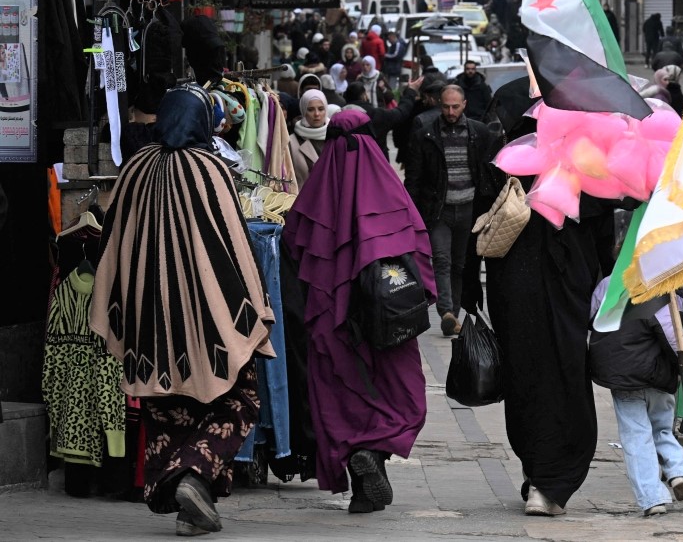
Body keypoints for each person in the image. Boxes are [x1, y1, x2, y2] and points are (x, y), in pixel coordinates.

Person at [89, 84, 275, 536]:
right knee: (239, 398)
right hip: (210, 318)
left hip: (149, 321)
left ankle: (194, 507)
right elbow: (237, 243)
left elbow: (112, 239)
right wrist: (255, 301)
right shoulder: (211, 167)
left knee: (167, 409)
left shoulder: (134, 168)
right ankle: (193, 475)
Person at [282, 109, 434, 515]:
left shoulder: (316, 190)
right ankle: (375, 453)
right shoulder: (387, 186)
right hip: (389, 320)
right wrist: (428, 295)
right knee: (394, 390)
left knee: (340, 395)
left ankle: (359, 466)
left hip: (332, 319)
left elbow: (294, 246)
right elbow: (417, 243)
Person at [483, 79, 623, 517]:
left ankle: (542, 476)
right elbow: (605, 227)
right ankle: (548, 479)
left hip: (526, 286)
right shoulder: (572, 157)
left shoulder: (507, 158)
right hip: (554, 288)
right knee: (555, 376)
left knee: (531, 377)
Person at [588, 279, 683, 517]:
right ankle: (677, 472)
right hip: (658, 375)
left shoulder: (609, 284)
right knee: (662, 429)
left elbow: (592, 317)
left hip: (623, 376)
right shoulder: (666, 285)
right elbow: (672, 333)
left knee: (636, 436)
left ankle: (652, 498)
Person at [404, 85, 493, 336]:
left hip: (469, 209)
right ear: (439, 105)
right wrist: (412, 211)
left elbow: (486, 173)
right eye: (446, 106)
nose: (451, 111)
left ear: (464, 103)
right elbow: (415, 178)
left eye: (455, 106)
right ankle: (446, 311)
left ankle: (453, 312)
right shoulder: (426, 135)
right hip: (439, 209)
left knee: (460, 263)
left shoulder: (478, 132)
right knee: (441, 260)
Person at [343, 79, 417, 159]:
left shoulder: (339, 117)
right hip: (377, 164)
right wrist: (410, 91)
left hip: (348, 164)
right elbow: (402, 112)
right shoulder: (378, 115)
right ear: (364, 96)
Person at [289, 88, 335, 187]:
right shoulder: (291, 141)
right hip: (303, 199)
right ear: (303, 111)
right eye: (310, 109)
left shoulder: (335, 137)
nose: (317, 114)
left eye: (321, 109)